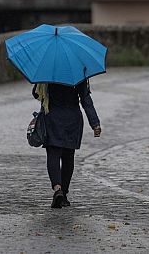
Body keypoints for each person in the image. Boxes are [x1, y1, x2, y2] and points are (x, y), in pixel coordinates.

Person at [32, 80, 101, 208]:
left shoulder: (47, 72)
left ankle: (57, 189)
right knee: (68, 157)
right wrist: (95, 123)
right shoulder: (78, 74)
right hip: (72, 120)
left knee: (53, 154)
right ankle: (64, 194)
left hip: (52, 118)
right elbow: (86, 100)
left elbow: (35, 94)